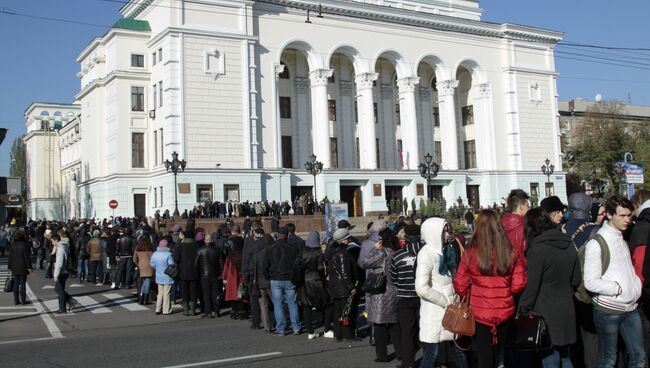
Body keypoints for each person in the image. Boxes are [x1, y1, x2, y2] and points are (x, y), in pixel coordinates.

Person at [453, 209, 527, 368]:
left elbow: (460, 283)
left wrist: (470, 294)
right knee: (504, 355)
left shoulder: (471, 252)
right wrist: (506, 292)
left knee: (483, 357)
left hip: (479, 312)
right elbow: (519, 283)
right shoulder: (510, 251)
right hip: (505, 311)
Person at [584, 195, 646, 368]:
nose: (627, 220)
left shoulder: (621, 238)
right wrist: (616, 289)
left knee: (639, 357)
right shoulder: (597, 243)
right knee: (608, 360)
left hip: (631, 307)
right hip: (608, 309)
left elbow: (628, 269)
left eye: (629, 215)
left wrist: (635, 286)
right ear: (610, 215)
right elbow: (590, 282)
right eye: (622, 215)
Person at [519, 208, 579, 368]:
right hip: (567, 309)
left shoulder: (537, 249)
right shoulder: (568, 242)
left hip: (545, 313)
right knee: (566, 357)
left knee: (549, 358)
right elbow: (576, 279)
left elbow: (532, 286)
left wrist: (524, 309)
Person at [416, 218, 467, 368]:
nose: (447, 233)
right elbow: (421, 287)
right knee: (432, 354)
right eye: (443, 231)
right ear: (433, 233)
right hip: (435, 313)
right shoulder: (426, 254)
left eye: (447, 230)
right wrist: (445, 301)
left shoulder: (445, 250)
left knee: (457, 351)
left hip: (450, 311)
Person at [360, 228, 401, 363]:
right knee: (394, 324)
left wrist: (373, 249)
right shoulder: (395, 252)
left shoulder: (381, 252)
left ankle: (382, 355)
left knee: (379, 324)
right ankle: (401, 352)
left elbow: (365, 263)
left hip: (380, 292)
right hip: (394, 291)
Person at [390, 224, 424, 368]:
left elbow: (393, 278)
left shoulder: (397, 256)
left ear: (406, 238)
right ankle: (432, 359)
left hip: (404, 298)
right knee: (425, 329)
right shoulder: (426, 253)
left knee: (406, 331)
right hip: (424, 297)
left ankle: (408, 363)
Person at [264, 226, 301, 335]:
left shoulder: (270, 248)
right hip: (289, 278)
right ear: (288, 235)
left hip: (275, 278)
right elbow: (297, 265)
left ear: (277, 235)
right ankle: (296, 327)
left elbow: (265, 265)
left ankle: (281, 328)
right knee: (292, 303)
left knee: (278, 304)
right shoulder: (293, 249)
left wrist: (268, 276)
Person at [328, 228, 359, 342]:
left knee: (338, 311)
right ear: (342, 240)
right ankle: (347, 334)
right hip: (343, 287)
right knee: (346, 311)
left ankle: (339, 334)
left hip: (336, 286)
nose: (349, 240)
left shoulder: (332, 250)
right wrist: (351, 286)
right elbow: (345, 272)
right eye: (347, 238)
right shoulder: (343, 253)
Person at [299, 231, 331, 340]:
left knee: (307, 307)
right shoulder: (319, 253)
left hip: (306, 281)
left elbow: (298, 267)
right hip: (317, 281)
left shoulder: (302, 252)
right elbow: (322, 269)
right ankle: (327, 329)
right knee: (327, 304)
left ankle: (310, 332)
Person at [174, 228, 200, 316]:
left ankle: (186, 310)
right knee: (193, 290)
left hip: (183, 271)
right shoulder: (197, 246)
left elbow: (176, 259)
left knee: (184, 291)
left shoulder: (180, 246)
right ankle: (193, 309)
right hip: (194, 271)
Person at [222, 231, 247, 320]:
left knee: (233, 296)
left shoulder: (230, 257)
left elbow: (226, 268)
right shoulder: (243, 256)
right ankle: (242, 312)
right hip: (240, 277)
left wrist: (224, 277)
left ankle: (234, 312)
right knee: (241, 294)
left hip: (232, 277)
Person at [501, 189, 530, 264]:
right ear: (521, 207)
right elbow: (526, 255)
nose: (528, 208)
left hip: (504, 268)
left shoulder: (500, 225)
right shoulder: (525, 227)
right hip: (522, 271)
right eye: (527, 205)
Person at [52, 231, 78, 313]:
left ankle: (66, 305)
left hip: (61, 272)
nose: (52, 243)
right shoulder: (64, 246)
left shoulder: (60, 249)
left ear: (56, 240)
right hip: (65, 271)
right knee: (60, 290)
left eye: (52, 241)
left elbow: (59, 263)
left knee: (58, 290)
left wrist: (55, 275)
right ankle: (64, 306)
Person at [150, 239, 175, 315]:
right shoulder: (169, 254)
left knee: (160, 293)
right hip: (167, 276)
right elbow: (171, 264)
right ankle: (166, 310)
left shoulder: (155, 254)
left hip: (159, 276)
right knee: (167, 293)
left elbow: (152, 265)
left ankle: (158, 309)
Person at [8, 229, 32, 305]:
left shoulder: (12, 245)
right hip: (22, 267)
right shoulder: (24, 245)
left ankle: (16, 300)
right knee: (22, 284)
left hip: (14, 267)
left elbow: (10, 257)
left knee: (16, 283)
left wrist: (9, 266)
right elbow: (26, 258)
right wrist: (29, 267)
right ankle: (23, 300)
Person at [133, 235, 154, 305]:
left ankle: (141, 297)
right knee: (147, 281)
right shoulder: (149, 247)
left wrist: (138, 264)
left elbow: (134, 259)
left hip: (141, 265)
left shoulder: (137, 248)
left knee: (144, 281)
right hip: (149, 265)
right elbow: (152, 258)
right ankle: (145, 299)